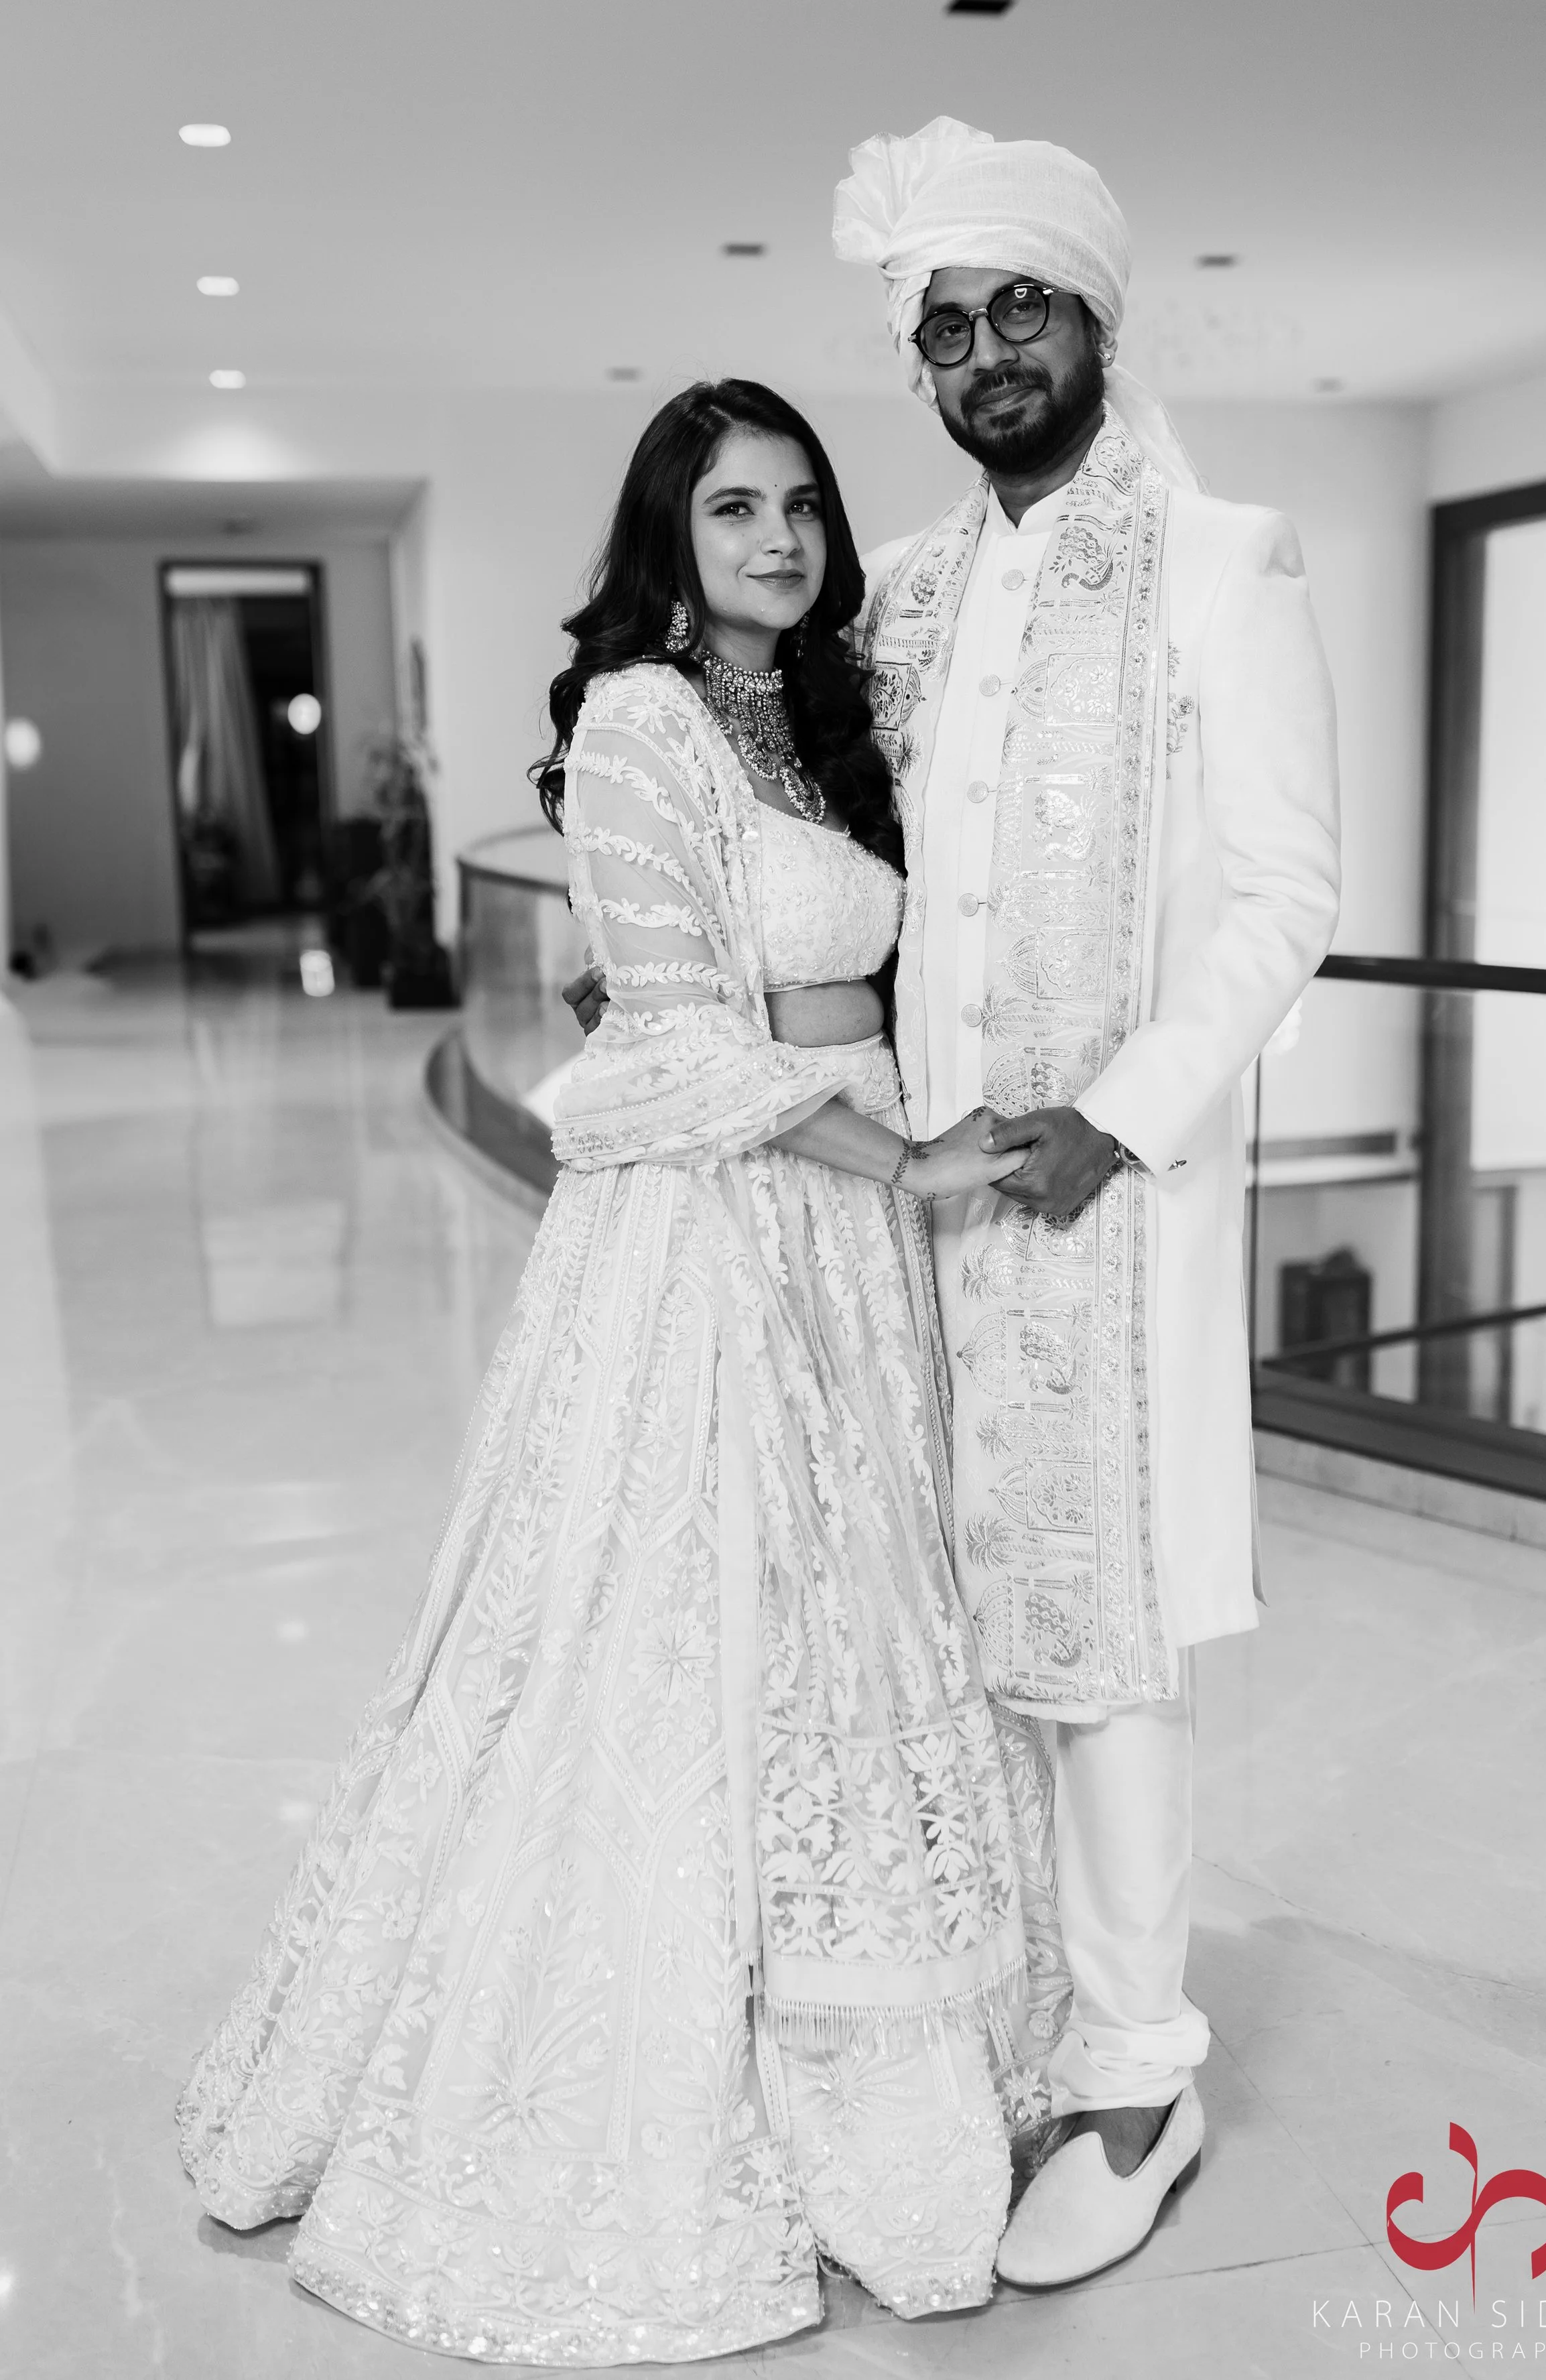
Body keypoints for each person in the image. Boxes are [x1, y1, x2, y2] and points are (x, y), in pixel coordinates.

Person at [176, 378, 1073, 2364]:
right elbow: (666, 1036)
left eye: (803, 506)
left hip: (853, 1219)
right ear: (668, 531)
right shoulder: (643, 718)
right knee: (692, 1624)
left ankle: (890, 2047)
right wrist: (907, 1156)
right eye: (736, 506)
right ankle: (689, 2066)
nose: (779, 537)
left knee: (855, 1621)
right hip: (730, 1219)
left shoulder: (817, 719)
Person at [829, 117, 1343, 2289]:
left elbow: (1287, 894)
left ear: (1092, 316)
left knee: (1100, 1627)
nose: (980, 355)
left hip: (1099, 1197)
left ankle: (1141, 2061)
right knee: (961, 1619)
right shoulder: (910, 598)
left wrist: (1114, 1118)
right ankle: (1023, 1989)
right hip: (923, 1202)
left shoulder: (1221, 558)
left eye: (1013, 307)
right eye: (942, 330)